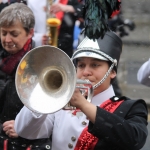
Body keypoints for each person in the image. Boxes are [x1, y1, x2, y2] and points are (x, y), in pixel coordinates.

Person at [14, 29, 148, 149]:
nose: (86, 72)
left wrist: (83, 104)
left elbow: (134, 140)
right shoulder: (60, 103)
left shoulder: (131, 107)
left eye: (95, 65)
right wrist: (44, 95)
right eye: (81, 65)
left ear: (112, 72)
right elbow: (24, 131)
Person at [0, 3, 51, 149]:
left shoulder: (43, 64)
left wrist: (23, 127)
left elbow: (49, 114)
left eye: (14, 34)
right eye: (3, 33)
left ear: (30, 32)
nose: (7, 40)